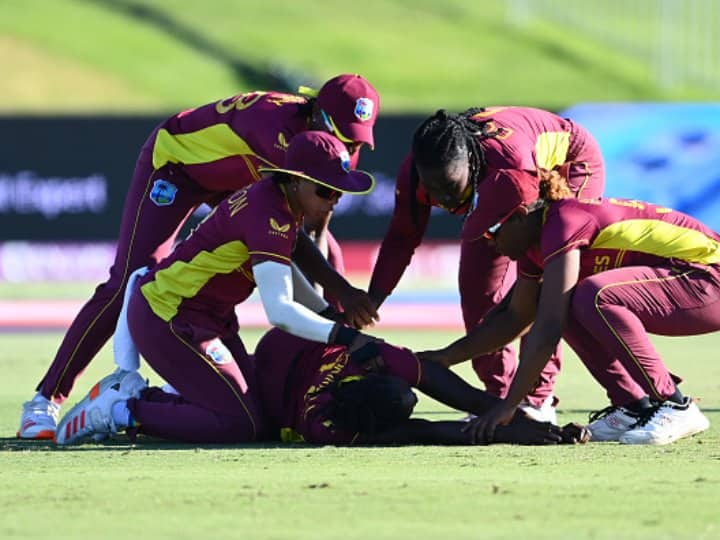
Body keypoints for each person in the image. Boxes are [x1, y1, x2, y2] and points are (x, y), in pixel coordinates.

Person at [20, 74, 381, 440]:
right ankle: (45, 399)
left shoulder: (332, 142)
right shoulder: (277, 132)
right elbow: (285, 229)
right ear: (317, 112)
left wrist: (332, 300)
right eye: (341, 133)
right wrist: (342, 297)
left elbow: (312, 227)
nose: (347, 145)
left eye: (355, 139)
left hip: (237, 183)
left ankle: (319, 380)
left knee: (332, 258)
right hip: (179, 168)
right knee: (128, 278)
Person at [418, 168, 714, 445]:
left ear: (520, 215)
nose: (489, 242)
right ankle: (634, 406)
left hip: (707, 278)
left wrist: (508, 406)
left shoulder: (563, 222)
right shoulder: (533, 244)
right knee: (569, 298)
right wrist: (445, 357)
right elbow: (515, 317)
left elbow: (548, 329)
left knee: (593, 295)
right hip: (688, 284)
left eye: (492, 231)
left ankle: (676, 405)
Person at [366, 106, 605, 423]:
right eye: (434, 190)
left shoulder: (511, 167)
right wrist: (372, 301)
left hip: (567, 167)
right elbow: (402, 236)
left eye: (451, 189)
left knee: (540, 283)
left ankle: (536, 401)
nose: (446, 201)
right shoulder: (416, 171)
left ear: (469, 165)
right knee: (477, 288)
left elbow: (533, 281)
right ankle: (496, 394)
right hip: (500, 176)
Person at [253, 328, 589, 445]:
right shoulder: (326, 427)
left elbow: (470, 399)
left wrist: (527, 421)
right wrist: (507, 434)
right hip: (268, 378)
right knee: (252, 426)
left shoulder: (375, 357)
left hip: (286, 342)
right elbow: (425, 431)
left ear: (374, 375)